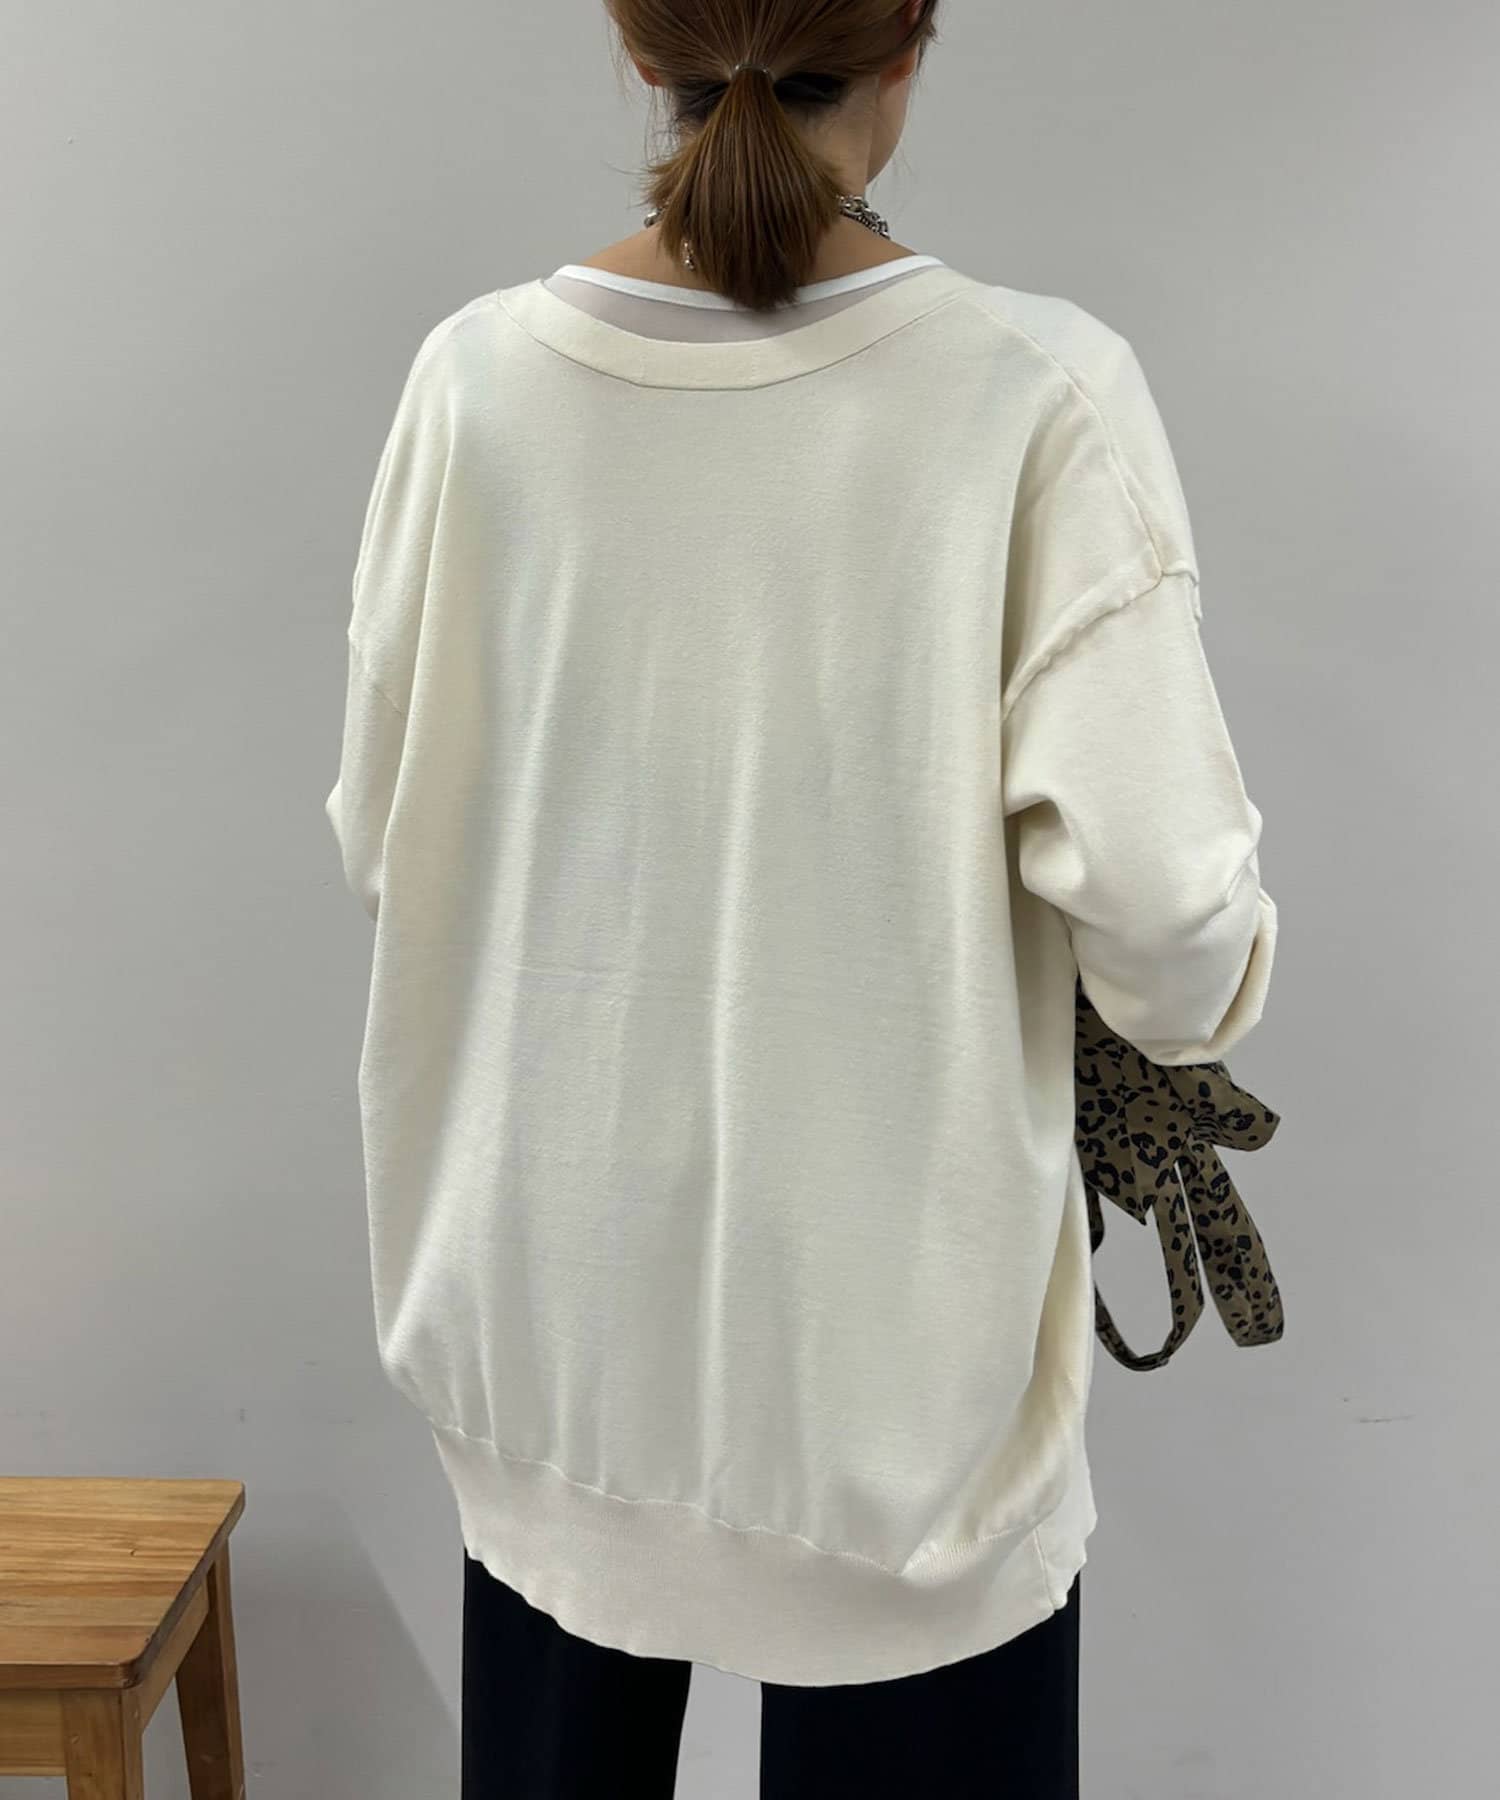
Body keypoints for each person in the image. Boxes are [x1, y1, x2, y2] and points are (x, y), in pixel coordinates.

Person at [323, 1, 1278, 1793]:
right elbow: (1171, 939)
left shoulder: (473, 387)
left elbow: (390, 847)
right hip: (898, 1422)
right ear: (911, 45)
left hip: (552, 1374)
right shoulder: (1036, 395)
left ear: (639, 50)